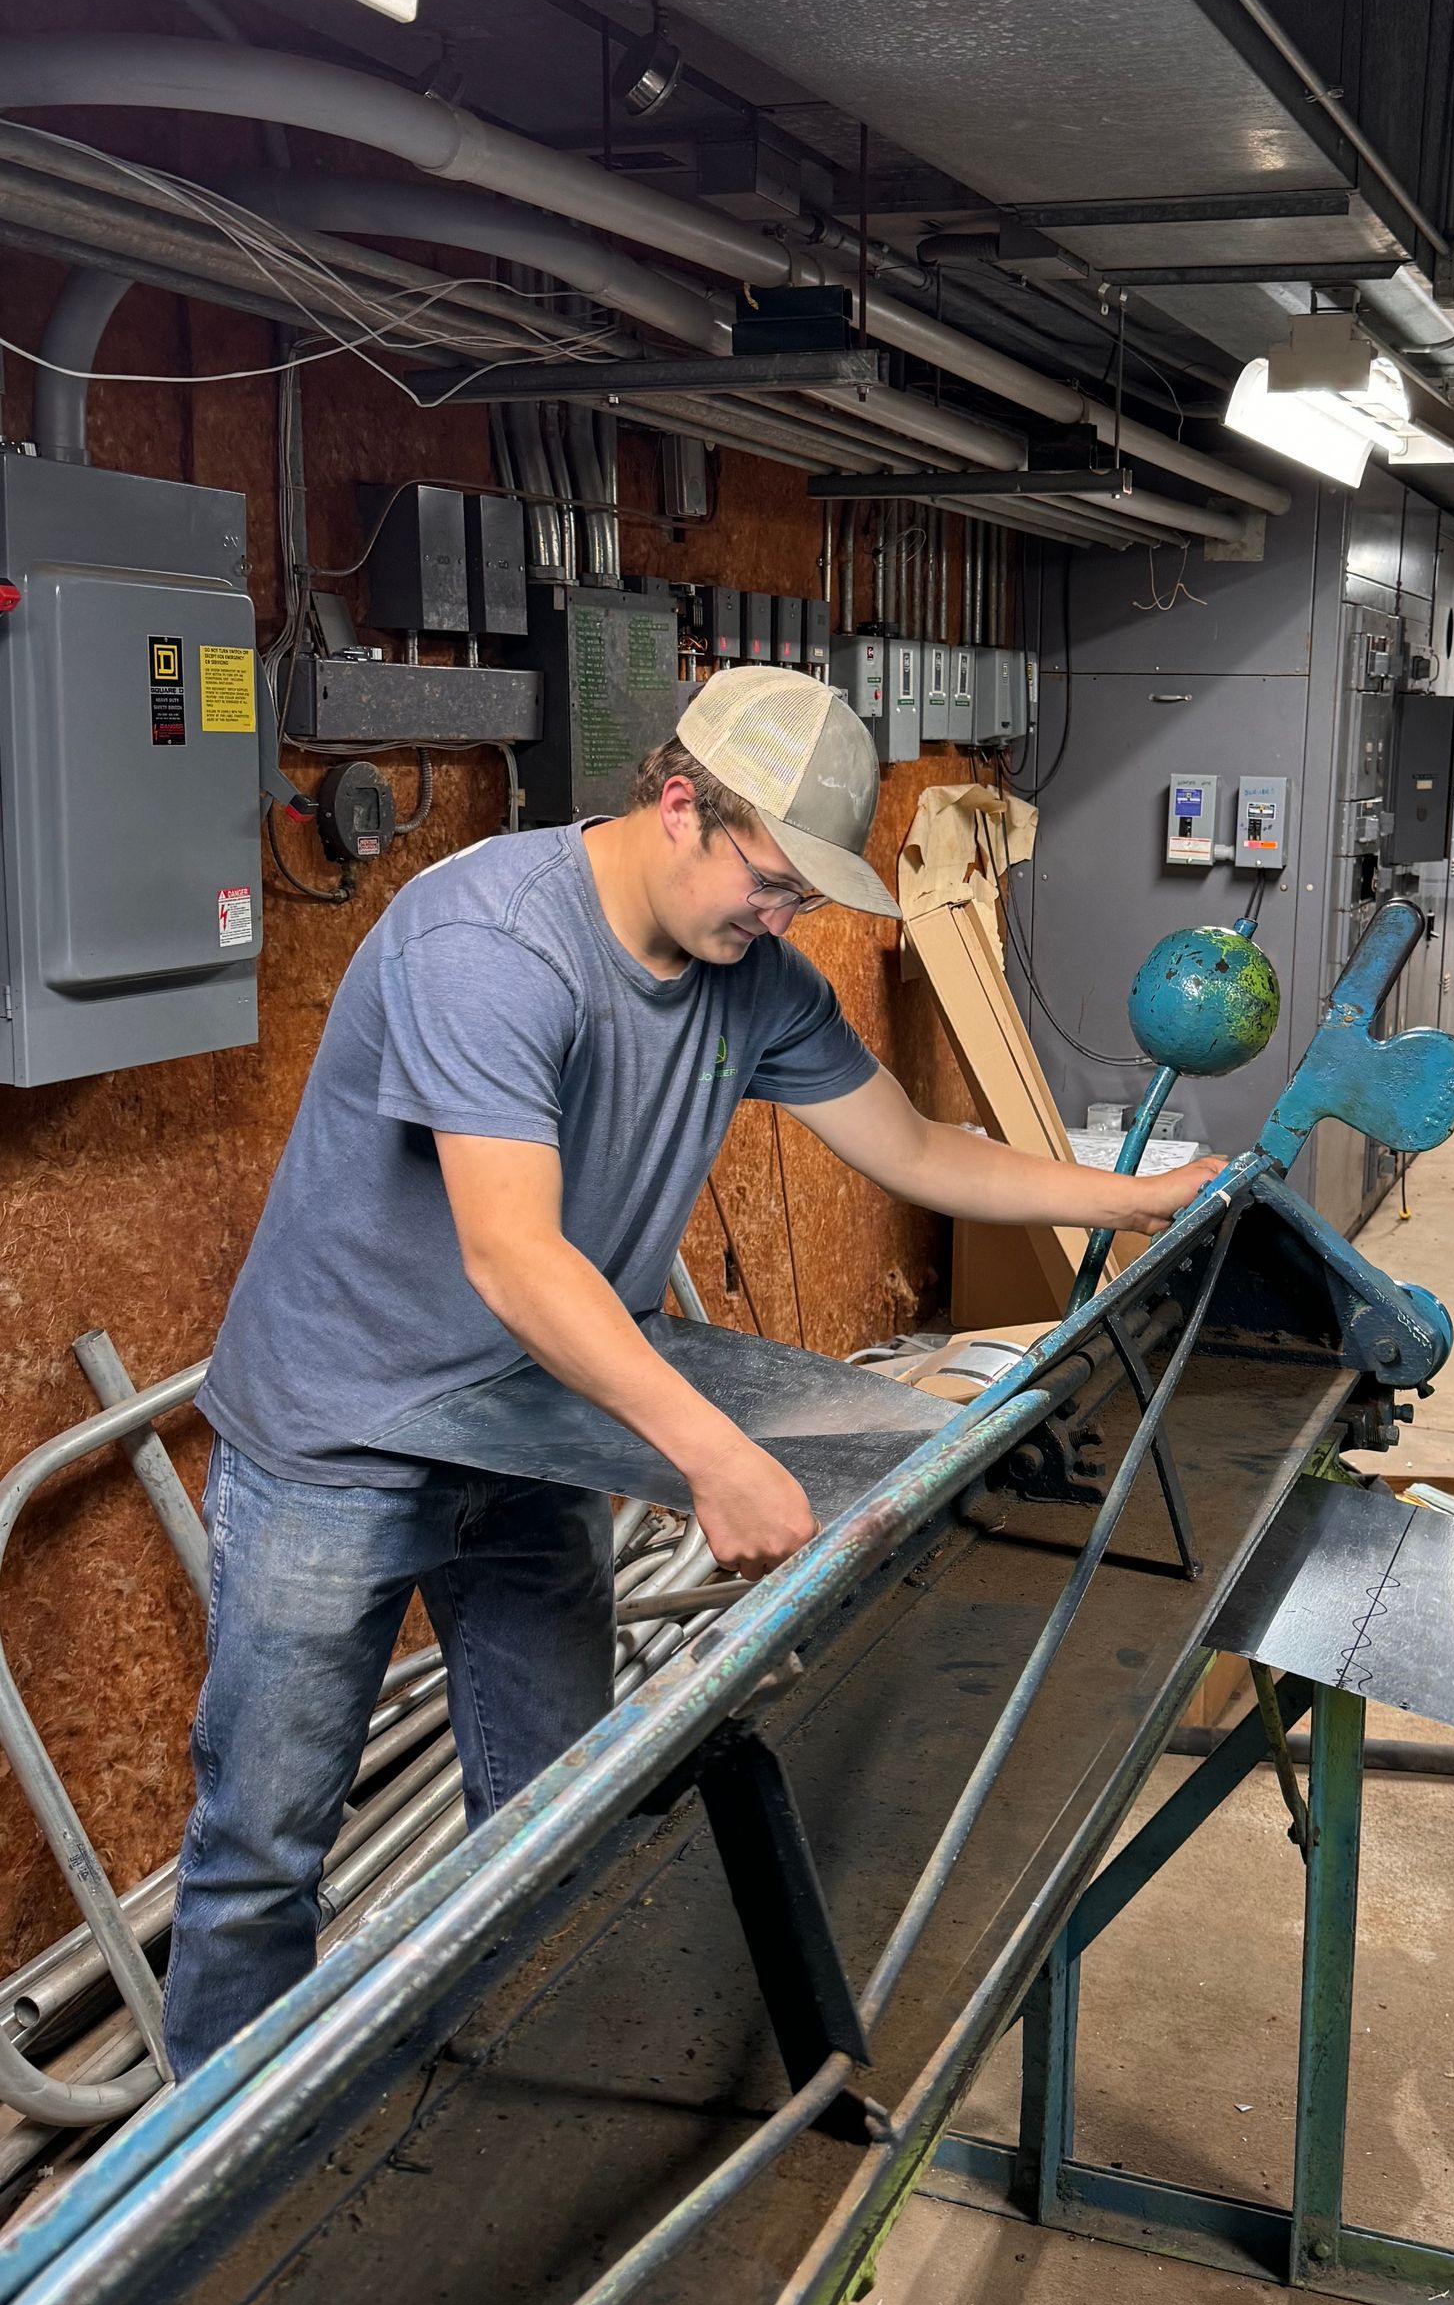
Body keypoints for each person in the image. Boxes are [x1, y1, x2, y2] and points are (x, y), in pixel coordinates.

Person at [165, 665, 1224, 2078]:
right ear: (680, 806)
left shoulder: (756, 980)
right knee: (260, 1854)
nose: (785, 923)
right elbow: (516, 1260)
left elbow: (912, 1150)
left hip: (532, 1421)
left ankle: (501, 2122)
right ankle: (203, 2231)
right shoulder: (489, 943)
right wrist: (714, 1456)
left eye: (803, 902)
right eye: (775, 885)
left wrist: (1142, 1199)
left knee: (557, 1815)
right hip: (340, 1437)